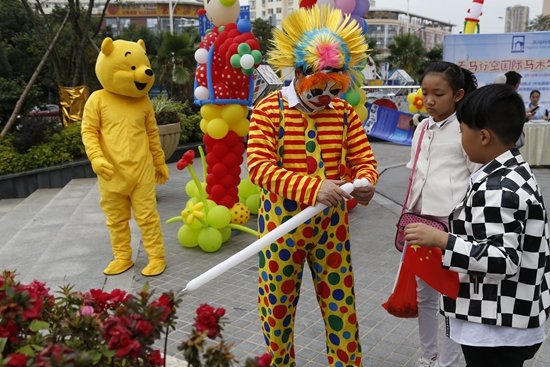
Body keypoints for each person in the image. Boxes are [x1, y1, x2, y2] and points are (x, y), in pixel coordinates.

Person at [247, 6, 378, 367]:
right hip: (280, 231)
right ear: (299, 73)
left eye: (334, 89)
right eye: (318, 88)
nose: (326, 98)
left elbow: (365, 160)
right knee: (276, 315)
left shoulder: (343, 113)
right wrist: (312, 187)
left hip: (330, 229)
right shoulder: (268, 110)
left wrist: (366, 182)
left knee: (342, 313)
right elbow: (258, 167)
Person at [404, 83, 550, 367]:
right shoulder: (514, 171)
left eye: (462, 132)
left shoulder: (497, 188)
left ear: (483, 136)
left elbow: (504, 259)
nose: (460, 140)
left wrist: (442, 240)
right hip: (508, 318)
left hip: (496, 326)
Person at [406, 61, 479, 367]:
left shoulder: (468, 130)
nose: (430, 100)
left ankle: (448, 361)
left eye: (439, 93)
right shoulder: (422, 127)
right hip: (419, 222)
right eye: (426, 93)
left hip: (452, 227)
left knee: (451, 298)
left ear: (459, 94)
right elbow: (414, 173)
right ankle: (428, 355)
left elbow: (477, 178)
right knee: (424, 295)